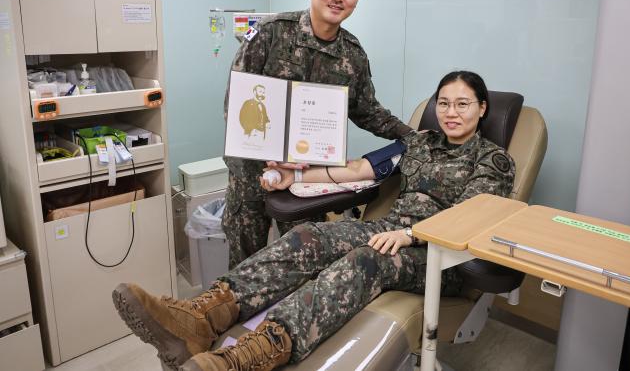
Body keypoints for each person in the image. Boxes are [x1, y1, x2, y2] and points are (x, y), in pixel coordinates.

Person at [114, 71, 515, 371]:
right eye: (443, 102)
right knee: (309, 236)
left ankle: (253, 355)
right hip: (388, 231)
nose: (450, 112)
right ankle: (201, 318)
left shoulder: (493, 160)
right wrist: (298, 176)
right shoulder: (419, 143)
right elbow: (360, 168)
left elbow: (471, 216)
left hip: (440, 256)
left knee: (365, 260)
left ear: (482, 109)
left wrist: (409, 235)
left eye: (463, 104)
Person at [223, 0, 412, 267]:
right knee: (244, 261)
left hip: (305, 174)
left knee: (300, 259)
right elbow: (237, 103)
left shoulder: (353, 55)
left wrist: (412, 134)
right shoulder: (269, 33)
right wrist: (263, 151)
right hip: (250, 171)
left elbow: (368, 111)